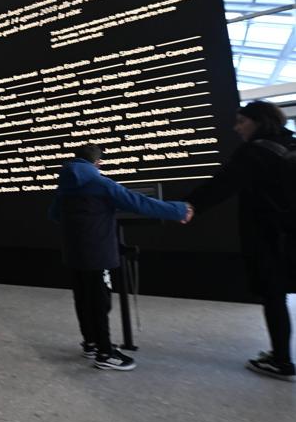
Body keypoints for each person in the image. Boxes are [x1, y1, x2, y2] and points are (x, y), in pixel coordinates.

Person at [49, 144, 192, 371]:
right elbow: (140, 203)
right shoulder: (101, 183)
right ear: (98, 163)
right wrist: (178, 210)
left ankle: (91, 343)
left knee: (83, 299)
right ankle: (105, 353)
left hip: (74, 253)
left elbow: (55, 215)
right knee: (100, 301)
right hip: (97, 254)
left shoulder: (64, 187)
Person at [187, 100, 296, 381]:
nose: (237, 129)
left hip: (272, 236)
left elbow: (221, 185)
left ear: (259, 121)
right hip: (289, 233)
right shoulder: (291, 145)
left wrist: (184, 207)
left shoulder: (256, 152)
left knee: (273, 296)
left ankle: (281, 361)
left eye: (241, 122)